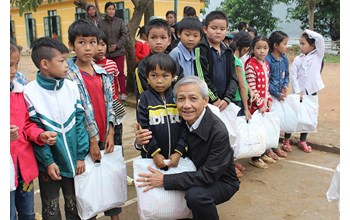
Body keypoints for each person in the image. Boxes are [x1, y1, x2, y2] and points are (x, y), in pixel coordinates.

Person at [136, 76, 240, 220]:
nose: (186, 105)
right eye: (180, 99)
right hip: (192, 172)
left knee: (196, 196)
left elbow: (208, 175)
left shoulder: (218, 131)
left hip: (220, 180)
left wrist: (165, 180)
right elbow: (161, 139)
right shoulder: (180, 120)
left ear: (205, 101)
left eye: (193, 98)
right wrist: (141, 141)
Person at [23, 37, 88, 219]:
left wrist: (81, 156)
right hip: (49, 167)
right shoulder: (30, 92)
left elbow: (80, 124)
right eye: (61, 61)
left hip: (75, 163)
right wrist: (48, 162)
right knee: (50, 210)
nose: (67, 65)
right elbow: (34, 132)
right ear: (44, 64)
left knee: (75, 206)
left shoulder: (71, 87)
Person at [66, 19, 121, 220]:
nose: (88, 48)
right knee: (88, 188)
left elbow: (112, 104)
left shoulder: (103, 73)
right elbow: (76, 113)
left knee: (109, 182)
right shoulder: (68, 76)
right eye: (81, 42)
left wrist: (111, 131)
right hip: (83, 141)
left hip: (105, 136)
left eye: (92, 42)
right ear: (72, 45)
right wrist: (91, 140)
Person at [10, 39, 57, 220]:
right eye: (8, 65)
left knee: (28, 212)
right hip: (6, 170)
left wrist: (40, 135)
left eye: (16, 64)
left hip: (23, 168)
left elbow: (27, 123)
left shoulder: (19, 88)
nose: (13, 70)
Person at [93, 29, 132, 185]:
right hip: (99, 111)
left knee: (118, 142)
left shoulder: (111, 64)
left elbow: (116, 84)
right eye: (97, 44)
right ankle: (105, 176)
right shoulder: (90, 67)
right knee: (102, 144)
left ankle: (121, 174)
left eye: (103, 45)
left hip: (114, 107)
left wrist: (119, 99)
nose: (100, 48)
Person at [137, 53, 187, 169]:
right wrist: (155, 153)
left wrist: (179, 151)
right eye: (154, 75)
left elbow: (186, 126)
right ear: (147, 77)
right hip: (152, 158)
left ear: (173, 76)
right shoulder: (144, 99)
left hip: (179, 157)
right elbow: (144, 129)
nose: (159, 81)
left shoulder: (179, 97)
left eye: (165, 76)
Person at [287, 29, 325, 153]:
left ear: (312, 45)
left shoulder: (318, 55)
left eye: (303, 43)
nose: (301, 46)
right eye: (300, 43)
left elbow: (319, 38)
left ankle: (303, 140)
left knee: (308, 115)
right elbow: (294, 75)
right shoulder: (298, 59)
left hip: (311, 91)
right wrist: (298, 92)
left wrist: (307, 31)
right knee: (293, 115)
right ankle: (287, 139)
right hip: (298, 93)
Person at [245, 35, 278, 169]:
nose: (262, 51)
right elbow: (251, 86)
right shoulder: (250, 64)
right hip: (254, 105)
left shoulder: (266, 64)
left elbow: (266, 85)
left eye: (265, 48)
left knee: (263, 130)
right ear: (253, 49)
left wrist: (268, 98)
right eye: (259, 48)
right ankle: (255, 157)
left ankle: (263, 152)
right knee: (256, 131)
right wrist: (260, 104)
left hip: (264, 103)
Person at [196, 10, 238, 112]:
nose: (218, 32)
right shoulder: (201, 49)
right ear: (205, 29)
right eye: (214, 28)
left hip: (225, 102)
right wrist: (214, 98)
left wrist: (227, 98)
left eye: (222, 29)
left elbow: (233, 77)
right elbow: (201, 77)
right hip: (207, 102)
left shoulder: (228, 51)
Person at [134, 18, 184, 102]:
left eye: (163, 37)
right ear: (147, 40)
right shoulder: (141, 67)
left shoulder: (175, 65)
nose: (158, 42)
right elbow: (142, 96)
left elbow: (180, 90)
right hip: (151, 111)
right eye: (153, 37)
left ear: (169, 40)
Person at [229, 30, 256, 177]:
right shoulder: (237, 61)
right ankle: (230, 163)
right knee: (235, 132)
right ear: (246, 49)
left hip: (233, 100)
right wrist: (246, 108)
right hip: (237, 100)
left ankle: (232, 161)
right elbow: (242, 86)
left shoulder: (230, 58)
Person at [266, 30, 290, 157]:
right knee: (270, 122)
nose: (286, 47)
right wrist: (276, 93)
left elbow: (287, 74)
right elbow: (266, 80)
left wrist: (285, 85)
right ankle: (269, 148)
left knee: (277, 122)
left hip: (280, 95)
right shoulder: (268, 59)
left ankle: (275, 146)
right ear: (275, 45)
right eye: (284, 44)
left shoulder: (284, 59)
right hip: (270, 96)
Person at [98, 2, 128, 101]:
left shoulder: (120, 21)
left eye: (113, 9)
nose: (111, 11)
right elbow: (99, 36)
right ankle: (110, 92)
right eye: (109, 9)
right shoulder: (101, 23)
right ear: (105, 10)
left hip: (119, 51)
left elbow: (124, 35)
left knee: (120, 73)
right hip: (107, 52)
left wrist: (117, 45)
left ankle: (123, 92)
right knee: (107, 72)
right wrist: (106, 47)